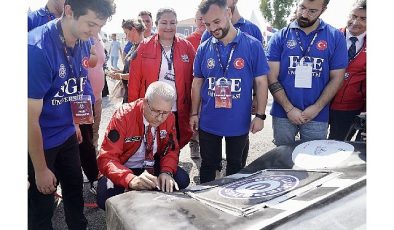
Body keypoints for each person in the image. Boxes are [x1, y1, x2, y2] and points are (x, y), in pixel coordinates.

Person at [28, 0, 116, 229]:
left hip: (67, 134)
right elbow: (27, 120)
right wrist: (39, 169)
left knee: (75, 190)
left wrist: (76, 124)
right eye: (90, 24)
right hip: (42, 141)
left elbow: (78, 82)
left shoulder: (84, 41)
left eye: (100, 26)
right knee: (41, 206)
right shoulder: (36, 49)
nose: (94, 32)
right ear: (69, 11)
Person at [190, 0, 269, 183]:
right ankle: (207, 201)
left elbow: (261, 82)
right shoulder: (204, 47)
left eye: (216, 22)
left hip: (238, 120)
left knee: (236, 165)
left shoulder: (252, 45)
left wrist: (260, 116)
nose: (212, 29)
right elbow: (197, 82)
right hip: (209, 120)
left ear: (229, 14)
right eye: (207, 24)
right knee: (208, 165)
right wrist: (194, 113)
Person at [96, 81, 190, 210]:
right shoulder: (123, 116)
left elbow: (171, 150)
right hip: (124, 167)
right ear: (145, 102)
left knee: (182, 179)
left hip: (151, 165)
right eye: (156, 111)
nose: (160, 118)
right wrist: (129, 179)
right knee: (105, 198)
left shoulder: (170, 118)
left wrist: (166, 171)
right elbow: (107, 158)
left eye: (165, 112)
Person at [266, 0, 348, 147]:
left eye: (312, 11)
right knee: (282, 160)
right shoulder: (280, 37)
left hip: (317, 114)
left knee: (313, 160)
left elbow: (337, 78)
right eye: (302, 7)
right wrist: (289, 109)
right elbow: (271, 76)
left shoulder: (335, 37)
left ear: (323, 9)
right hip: (283, 112)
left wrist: (316, 108)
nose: (304, 14)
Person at [128, 8, 195, 150]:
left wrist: (195, 108)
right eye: (164, 23)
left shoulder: (186, 47)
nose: (168, 27)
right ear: (156, 24)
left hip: (178, 108)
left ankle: (171, 167)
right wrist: (133, 110)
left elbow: (196, 80)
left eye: (172, 22)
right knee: (153, 143)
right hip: (153, 108)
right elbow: (134, 81)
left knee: (176, 142)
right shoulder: (144, 47)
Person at [329, 0, 366, 141]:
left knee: (336, 147)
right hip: (319, 104)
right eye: (353, 16)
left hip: (349, 108)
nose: (355, 22)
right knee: (313, 145)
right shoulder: (331, 36)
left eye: (363, 19)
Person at [108, 19, 146, 103]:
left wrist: (121, 76)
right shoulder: (134, 46)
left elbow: (140, 75)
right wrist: (120, 71)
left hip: (137, 96)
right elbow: (132, 69)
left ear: (133, 30)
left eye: (126, 33)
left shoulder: (145, 48)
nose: (126, 36)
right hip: (129, 93)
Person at [186, 9, 207, 159]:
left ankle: (209, 147)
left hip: (212, 86)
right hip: (195, 85)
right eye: (198, 19)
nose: (201, 21)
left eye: (203, 18)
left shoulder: (216, 36)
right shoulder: (188, 41)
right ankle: (194, 143)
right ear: (195, 21)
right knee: (194, 116)